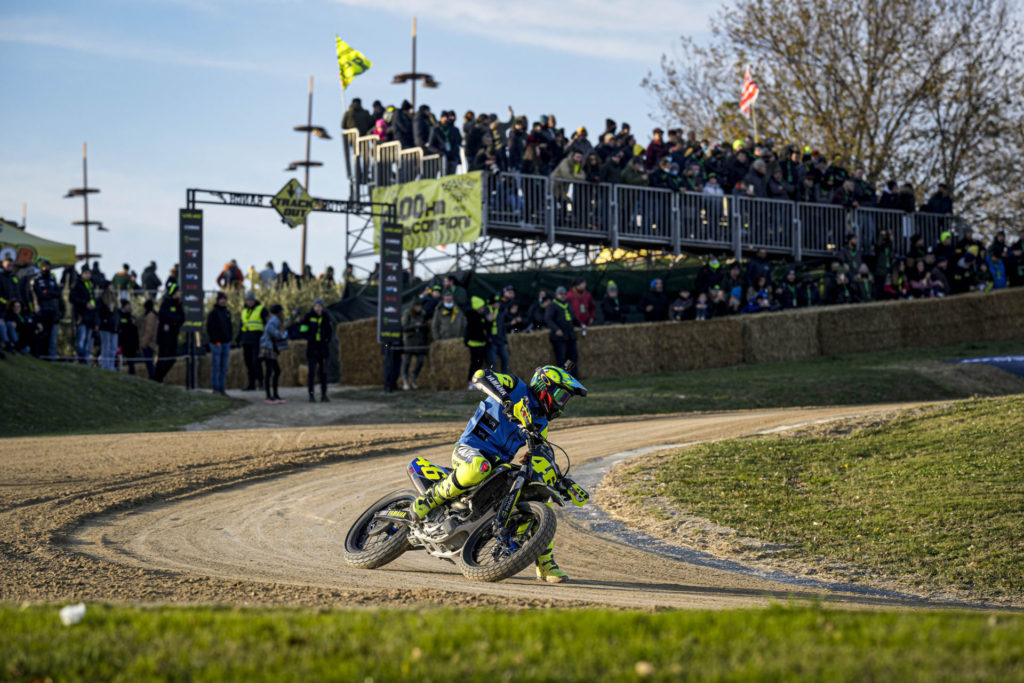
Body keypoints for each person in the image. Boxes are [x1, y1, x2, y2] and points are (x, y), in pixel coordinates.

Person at [409, 365, 588, 582]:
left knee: (540, 496)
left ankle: (545, 563)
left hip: (496, 465)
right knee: (479, 466)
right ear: (545, 386)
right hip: (470, 449)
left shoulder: (540, 422)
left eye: (566, 399)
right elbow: (480, 376)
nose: (562, 404)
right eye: (561, 395)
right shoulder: (515, 386)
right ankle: (429, 499)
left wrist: (560, 481)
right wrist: (506, 399)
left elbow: (542, 453)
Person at [300, 297, 333, 402]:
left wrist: (327, 341)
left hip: (323, 349)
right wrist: (311, 339)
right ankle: (311, 395)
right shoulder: (308, 317)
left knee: (323, 373)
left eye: (319, 306)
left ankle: (324, 395)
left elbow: (330, 331)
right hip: (312, 349)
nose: (318, 308)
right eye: (316, 306)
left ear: (322, 307)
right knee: (311, 373)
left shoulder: (326, 317)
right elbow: (303, 331)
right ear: (313, 307)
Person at [545, 286, 581, 376]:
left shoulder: (567, 305)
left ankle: (573, 376)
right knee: (562, 358)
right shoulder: (552, 305)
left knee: (573, 357)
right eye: (561, 294)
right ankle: (563, 377)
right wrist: (556, 329)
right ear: (557, 295)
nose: (563, 296)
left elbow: (572, 318)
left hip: (570, 335)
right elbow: (548, 319)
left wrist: (581, 324)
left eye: (564, 294)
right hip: (559, 337)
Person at [30, 258, 61, 360]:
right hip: (41, 310)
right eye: (44, 266)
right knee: (42, 332)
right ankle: (40, 354)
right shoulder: (37, 279)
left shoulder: (52, 278)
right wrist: (49, 293)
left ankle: (48, 356)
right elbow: (39, 293)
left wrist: (48, 293)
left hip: (51, 310)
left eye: (48, 266)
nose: (46, 268)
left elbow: (57, 293)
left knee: (50, 335)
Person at [154, 283, 184, 382]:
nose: (181, 293)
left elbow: (182, 318)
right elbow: (164, 317)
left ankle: (160, 376)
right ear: (174, 292)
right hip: (164, 336)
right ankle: (157, 379)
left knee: (172, 358)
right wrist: (173, 320)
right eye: (179, 291)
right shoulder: (166, 303)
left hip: (173, 335)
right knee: (162, 358)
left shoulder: (179, 304)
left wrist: (174, 321)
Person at [69, 267, 99, 363]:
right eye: (85, 273)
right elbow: (72, 298)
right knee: (81, 339)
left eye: (89, 273)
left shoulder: (91, 285)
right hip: (81, 317)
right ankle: (82, 358)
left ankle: (86, 358)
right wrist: (85, 303)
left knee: (88, 340)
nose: (87, 275)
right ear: (82, 274)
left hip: (90, 317)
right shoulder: (77, 284)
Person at [239, 291, 267, 391]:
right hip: (246, 340)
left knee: (256, 361)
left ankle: (260, 383)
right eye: (248, 300)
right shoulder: (243, 311)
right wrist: (238, 339)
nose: (249, 302)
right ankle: (251, 384)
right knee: (248, 362)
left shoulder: (261, 309)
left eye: (251, 300)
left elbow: (266, 323)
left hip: (257, 339)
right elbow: (241, 326)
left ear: (254, 301)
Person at [259, 304, 287, 404]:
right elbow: (269, 329)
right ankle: (269, 396)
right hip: (268, 348)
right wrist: (279, 334)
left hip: (270, 348)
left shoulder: (274, 320)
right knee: (270, 371)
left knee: (276, 371)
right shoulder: (275, 320)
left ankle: (275, 395)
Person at [206, 291, 232, 396]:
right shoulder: (213, 313)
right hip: (217, 343)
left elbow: (229, 327)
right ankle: (215, 387)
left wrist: (230, 338)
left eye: (225, 299)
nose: (223, 301)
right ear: (218, 299)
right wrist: (215, 339)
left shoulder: (227, 313)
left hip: (226, 343)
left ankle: (222, 388)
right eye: (222, 299)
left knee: (224, 367)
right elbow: (210, 328)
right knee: (216, 366)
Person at [400, 299, 429, 390]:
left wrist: (424, 326)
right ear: (413, 306)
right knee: (407, 361)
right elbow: (404, 327)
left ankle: (413, 378)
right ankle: (405, 380)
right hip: (409, 340)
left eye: (419, 306)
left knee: (420, 360)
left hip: (420, 340)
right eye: (417, 306)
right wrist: (415, 325)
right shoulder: (407, 314)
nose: (418, 308)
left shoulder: (423, 314)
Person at [463, 296, 489, 389]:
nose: (483, 309)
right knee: (475, 363)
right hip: (474, 344)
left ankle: (476, 381)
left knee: (479, 363)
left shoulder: (480, 317)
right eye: (482, 307)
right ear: (478, 307)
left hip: (480, 344)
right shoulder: (473, 318)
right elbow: (473, 332)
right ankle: (470, 381)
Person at [96, 284, 120, 370]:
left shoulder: (115, 299)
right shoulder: (101, 299)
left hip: (114, 328)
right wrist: (108, 309)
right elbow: (99, 312)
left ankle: (111, 365)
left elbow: (117, 314)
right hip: (105, 327)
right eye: (110, 286)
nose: (112, 287)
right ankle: (105, 365)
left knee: (113, 348)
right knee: (106, 347)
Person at [118, 299, 140, 376]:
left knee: (131, 363)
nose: (129, 307)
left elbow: (135, 332)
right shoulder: (120, 316)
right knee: (118, 361)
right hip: (122, 343)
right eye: (128, 305)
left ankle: (132, 375)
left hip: (131, 344)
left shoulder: (132, 317)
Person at [138, 299, 158, 379]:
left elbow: (148, 331)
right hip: (151, 343)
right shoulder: (153, 315)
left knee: (149, 363)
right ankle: (152, 376)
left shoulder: (150, 316)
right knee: (150, 362)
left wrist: (143, 343)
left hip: (149, 343)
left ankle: (152, 377)